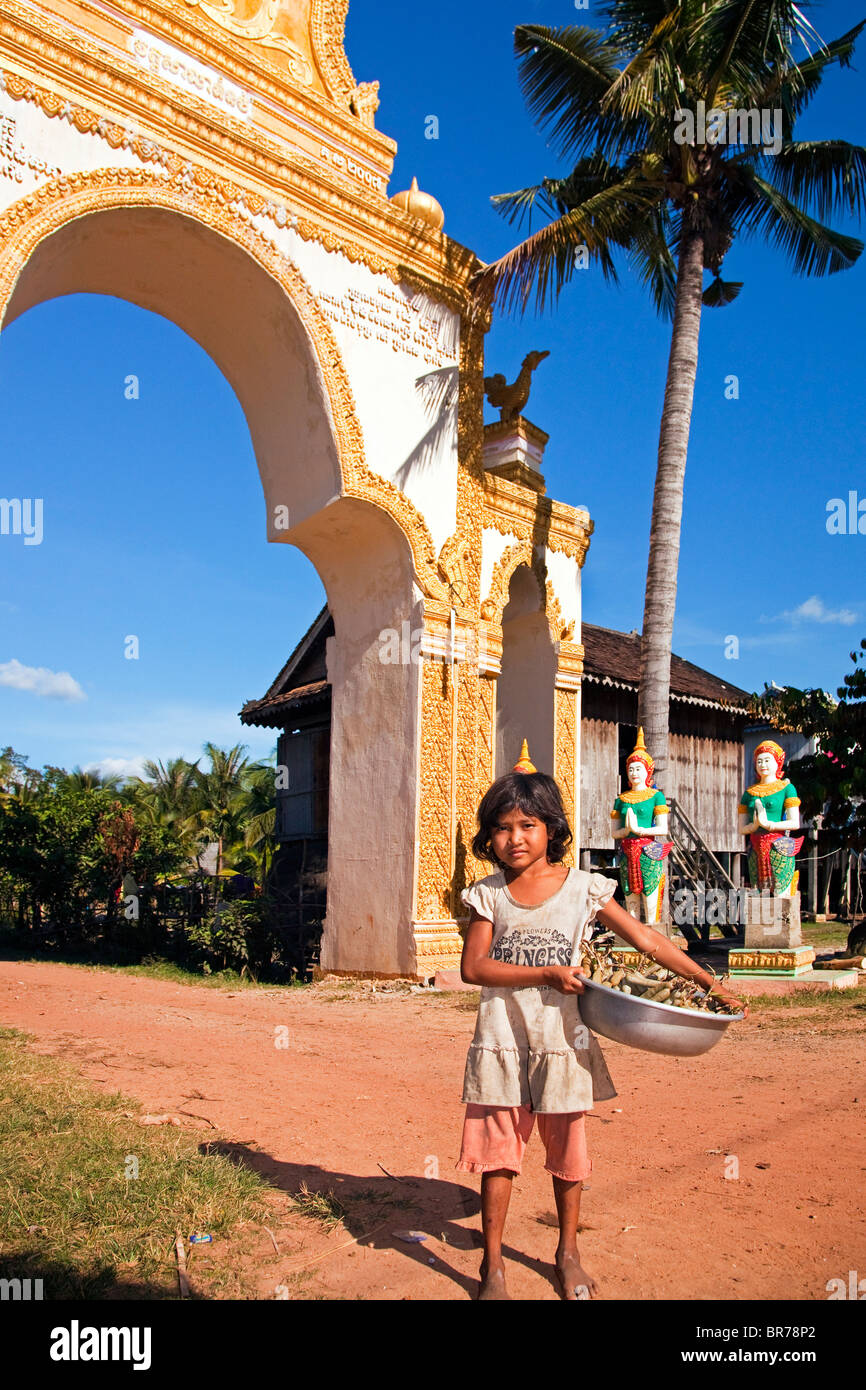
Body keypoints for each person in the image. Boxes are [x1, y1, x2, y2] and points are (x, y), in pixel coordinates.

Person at [457, 747, 747, 1302]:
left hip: (564, 1042)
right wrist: (544, 971)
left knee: (567, 1154)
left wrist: (711, 984)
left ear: (552, 829)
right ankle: (491, 1266)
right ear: (488, 838)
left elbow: (649, 940)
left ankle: (567, 1253)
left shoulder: (584, 888)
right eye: (500, 829)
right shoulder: (489, 895)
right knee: (497, 1157)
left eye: (527, 825)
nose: (514, 839)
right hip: (501, 1041)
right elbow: (474, 968)